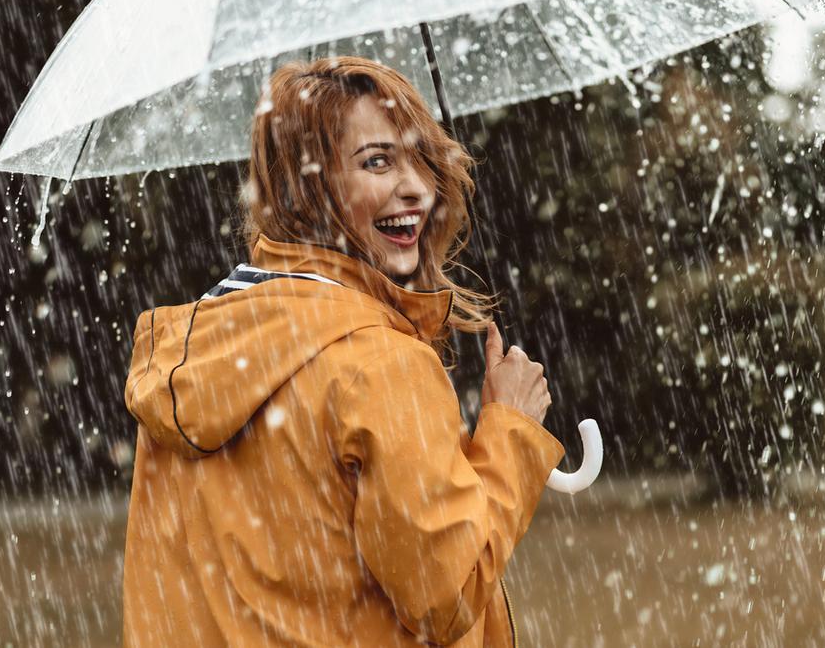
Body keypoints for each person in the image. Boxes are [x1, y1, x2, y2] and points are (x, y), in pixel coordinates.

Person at [121, 56, 564, 647]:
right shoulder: (378, 367)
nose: (416, 187)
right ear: (308, 189)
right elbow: (445, 595)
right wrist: (509, 435)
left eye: (421, 159)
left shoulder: (201, 350)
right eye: (376, 161)